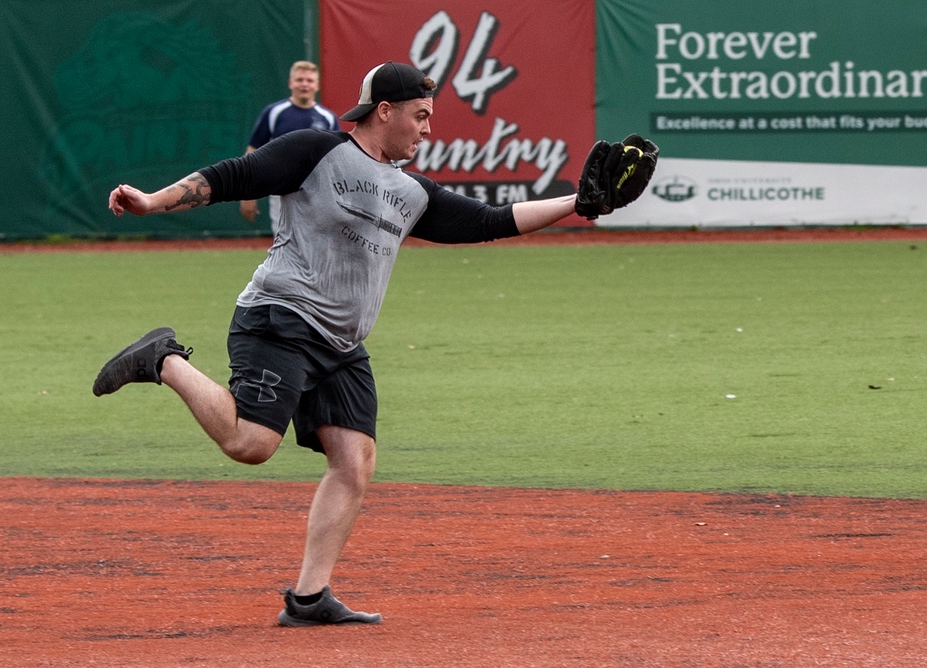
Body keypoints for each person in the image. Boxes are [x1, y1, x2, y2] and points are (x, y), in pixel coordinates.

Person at [95, 61, 652, 627]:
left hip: (341, 344)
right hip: (280, 318)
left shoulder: (411, 191)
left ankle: (310, 599)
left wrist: (577, 205)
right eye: (422, 115)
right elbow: (232, 176)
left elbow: (489, 220)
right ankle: (160, 359)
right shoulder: (315, 151)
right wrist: (151, 201)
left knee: (354, 463)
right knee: (250, 444)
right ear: (385, 111)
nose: (428, 129)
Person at [240, 60, 339, 232]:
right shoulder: (274, 113)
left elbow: (338, 158)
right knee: (282, 241)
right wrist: (247, 193)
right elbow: (253, 153)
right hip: (281, 189)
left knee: (316, 241)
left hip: (317, 192)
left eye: (309, 81)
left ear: (317, 85)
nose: (304, 85)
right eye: (300, 80)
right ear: (290, 83)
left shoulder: (327, 118)